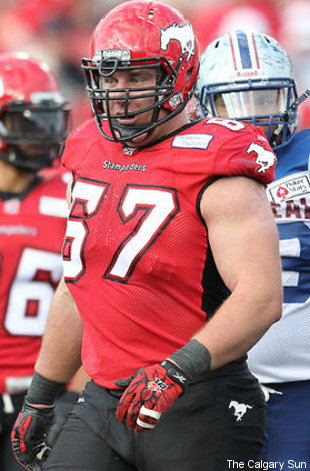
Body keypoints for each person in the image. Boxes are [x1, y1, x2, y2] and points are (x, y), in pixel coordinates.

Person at [11, 3, 283, 471]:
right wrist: (41, 395)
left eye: (137, 78)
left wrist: (178, 369)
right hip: (102, 399)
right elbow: (81, 286)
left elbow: (260, 297)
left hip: (199, 400)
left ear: (179, 73)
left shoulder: (219, 160)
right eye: (110, 79)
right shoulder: (87, 150)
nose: (120, 94)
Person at [196, 29, 310, 469]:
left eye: (264, 99)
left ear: (289, 98)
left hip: (300, 382)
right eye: (233, 104)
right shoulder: (193, 162)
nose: (252, 119)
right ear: (206, 107)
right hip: (216, 380)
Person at [0, 51, 87, 471]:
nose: (40, 133)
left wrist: (72, 394)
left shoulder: (72, 191)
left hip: (45, 395)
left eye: (47, 118)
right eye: (25, 120)